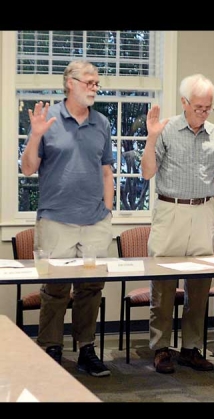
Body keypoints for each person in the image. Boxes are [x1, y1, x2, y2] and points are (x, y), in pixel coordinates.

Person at [21, 60, 113, 377]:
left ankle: (86, 349)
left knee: (91, 290)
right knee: (55, 290)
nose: (94, 87)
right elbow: (28, 169)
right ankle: (52, 349)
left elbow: (106, 171)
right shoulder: (48, 121)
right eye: (88, 81)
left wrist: (108, 211)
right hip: (56, 221)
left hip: (94, 224)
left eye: (96, 82)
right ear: (69, 83)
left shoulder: (102, 122)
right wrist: (34, 136)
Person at [142, 73, 214, 374]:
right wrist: (152, 136)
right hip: (171, 211)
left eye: (208, 108)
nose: (203, 113)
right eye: (199, 107)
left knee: (199, 286)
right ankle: (161, 348)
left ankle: (191, 347)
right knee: (164, 285)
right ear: (184, 103)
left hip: (203, 211)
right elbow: (147, 173)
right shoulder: (166, 130)